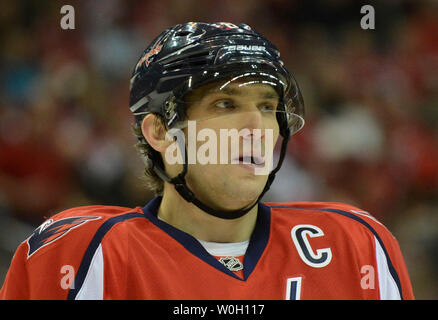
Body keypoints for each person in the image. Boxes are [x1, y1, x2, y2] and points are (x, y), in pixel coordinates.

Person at [0, 22, 414, 300]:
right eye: (225, 104)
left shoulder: (356, 245)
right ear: (161, 132)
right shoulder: (84, 255)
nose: (256, 127)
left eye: (269, 107)